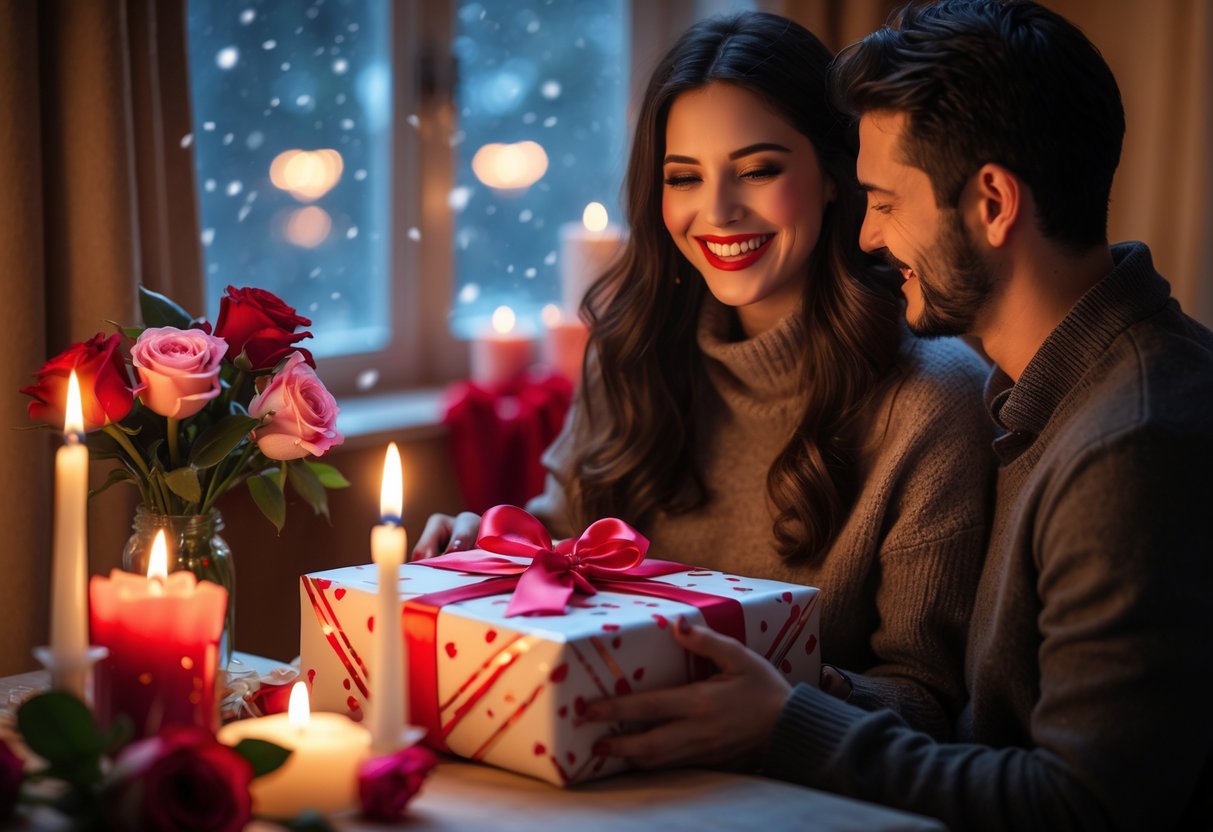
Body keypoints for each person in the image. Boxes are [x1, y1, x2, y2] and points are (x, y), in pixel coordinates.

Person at [586, 1, 1213, 828]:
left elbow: (1084, 804)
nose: (870, 235)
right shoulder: (1055, 394)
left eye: (883, 199)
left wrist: (786, 722)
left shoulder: (1130, 440)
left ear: (991, 202)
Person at [418, 11, 994, 740]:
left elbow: (929, 704)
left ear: (832, 176)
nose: (716, 213)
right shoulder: (628, 351)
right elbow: (562, 547)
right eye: (682, 177)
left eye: (757, 170)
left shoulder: (933, 398)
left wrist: (784, 695)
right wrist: (492, 557)